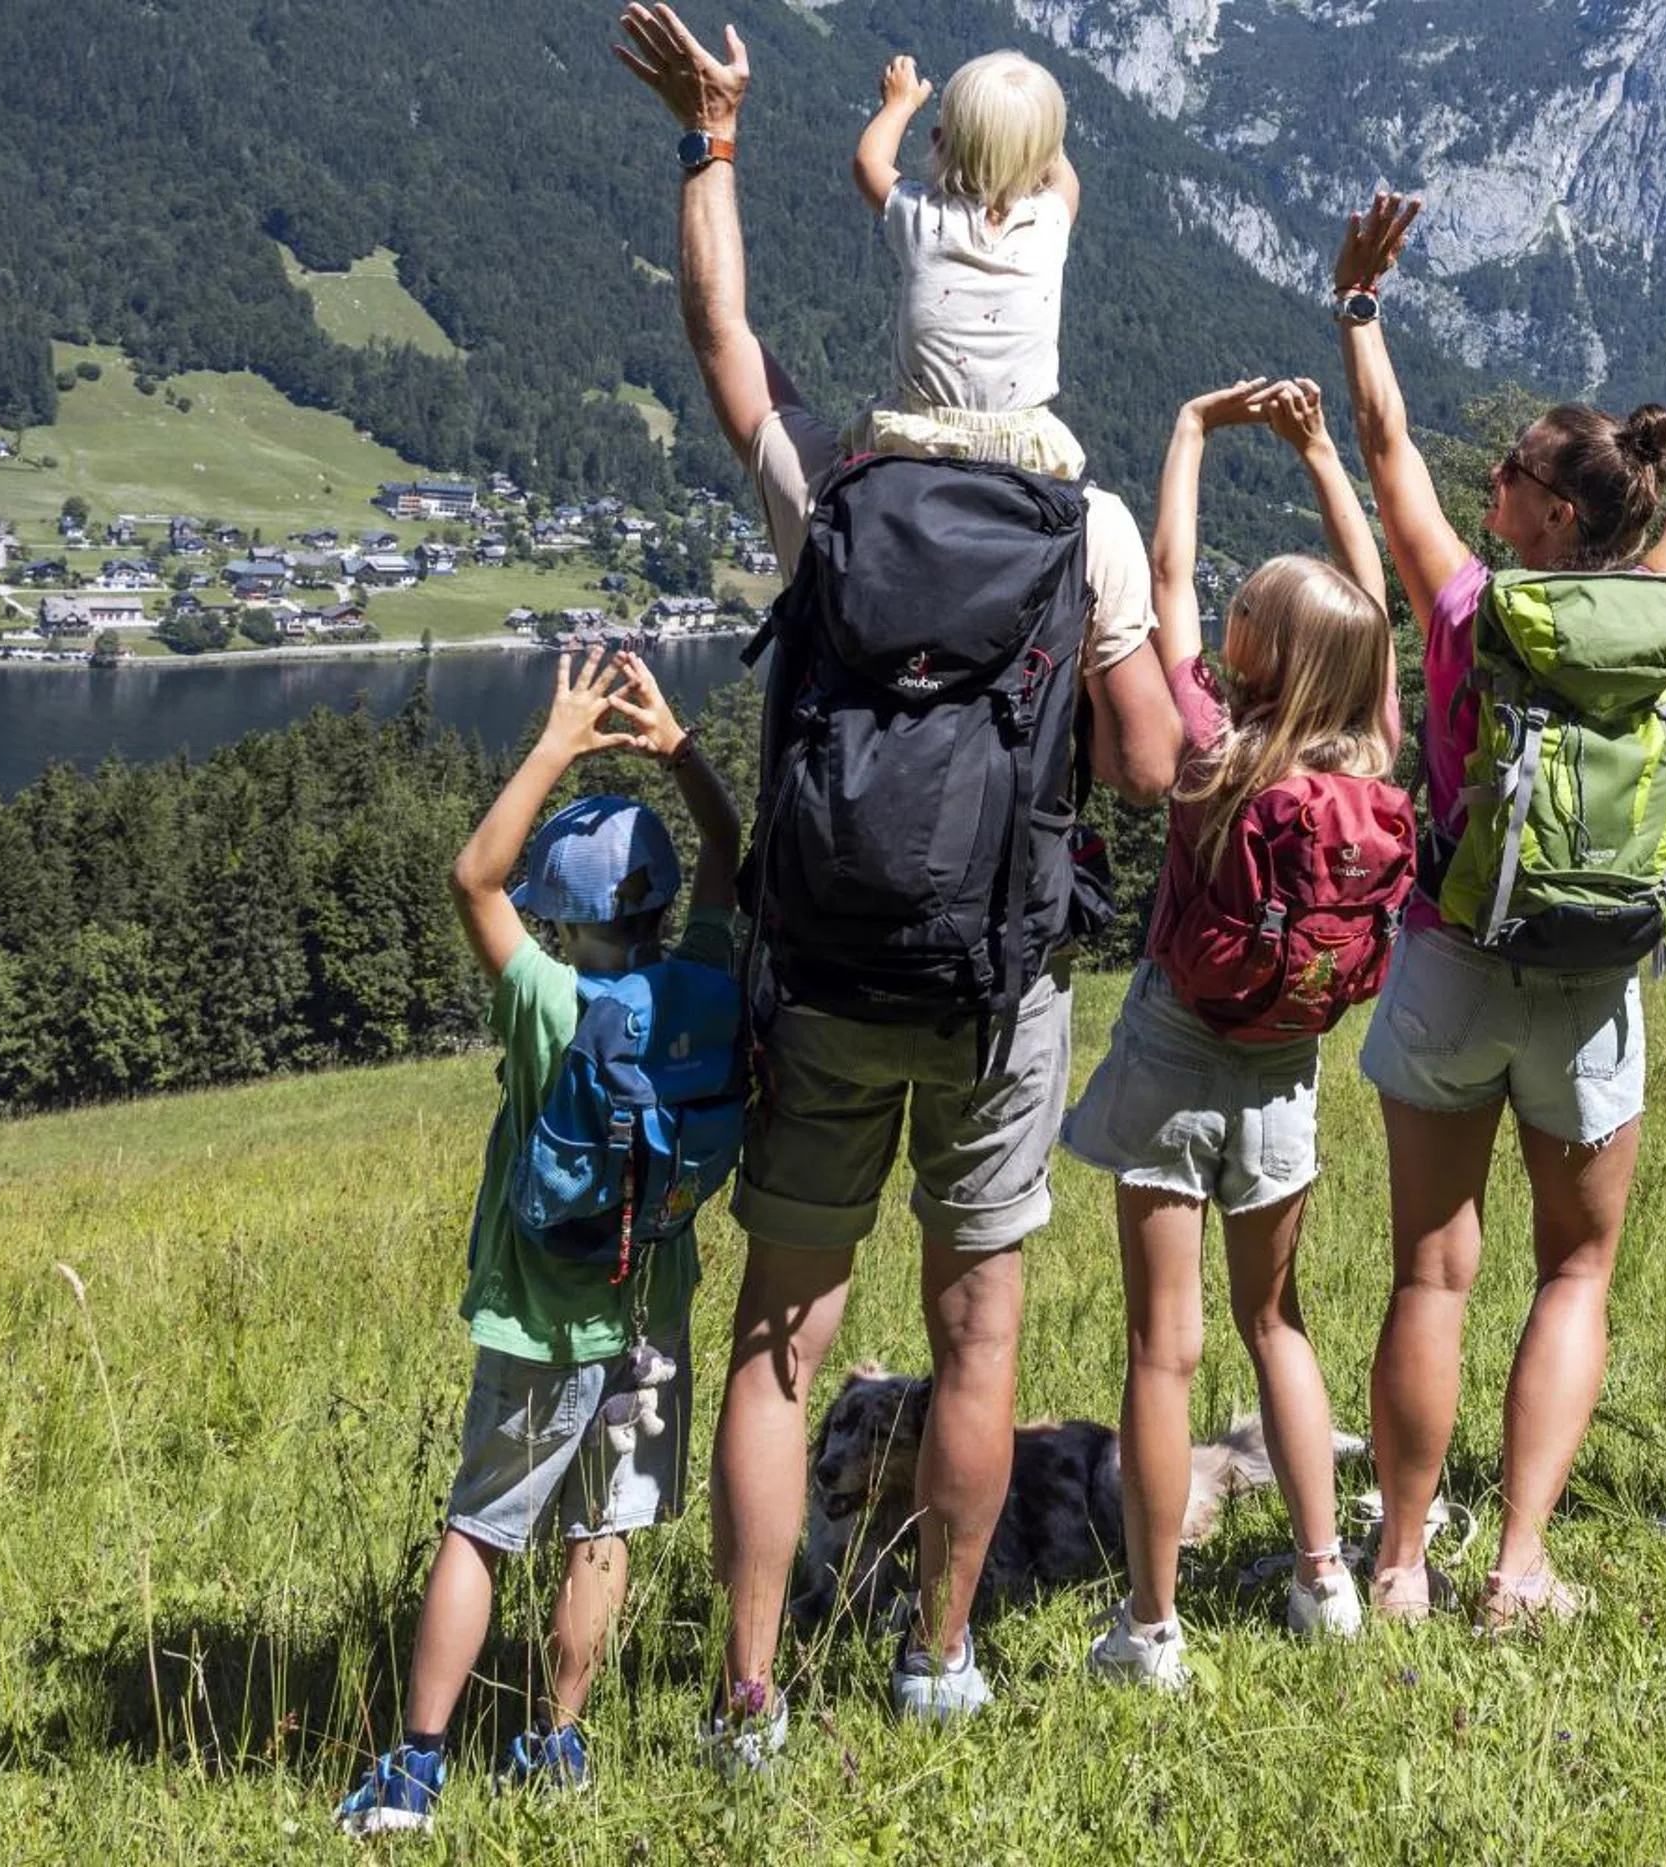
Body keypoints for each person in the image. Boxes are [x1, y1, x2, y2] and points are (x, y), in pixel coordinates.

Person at [613, 4, 1184, 1742]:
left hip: (821, 967)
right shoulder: (1084, 529)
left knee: (781, 1340)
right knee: (975, 1329)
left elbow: (723, 337)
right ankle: (938, 1657)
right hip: (995, 981)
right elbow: (1147, 764)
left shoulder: (833, 489)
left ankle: (746, 1692)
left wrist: (712, 143)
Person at [1330, 188, 1666, 1627]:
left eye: (1508, 474)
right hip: (1594, 989)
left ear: (1551, 511)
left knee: (1432, 1271)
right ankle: (1519, 1561)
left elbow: (1382, 450)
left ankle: (1399, 1564)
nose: (1485, 484)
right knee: (1574, 1269)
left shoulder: (1468, 607)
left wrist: (1360, 305)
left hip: (1450, 964)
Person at [336, 651, 740, 1835]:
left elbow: (473, 875)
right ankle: (556, 1741)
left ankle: (416, 1768)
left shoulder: (546, 1002)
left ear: (563, 912)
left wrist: (559, 740)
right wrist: (679, 751)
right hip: (650, 1307)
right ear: (659, 906)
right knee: (600, 1528)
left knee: (482, 1525)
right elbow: (729, 849)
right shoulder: (701, 985)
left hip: (540, 1313)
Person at [1062, 376, 1400, 1687]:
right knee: (1278, 1322)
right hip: (1286, 1069)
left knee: (1165, 1345)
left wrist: (1191, 430)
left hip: (1174, 1050)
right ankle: (1325, 1578)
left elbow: (1162, 575)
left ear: (1252, 651)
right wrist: (1323, 460)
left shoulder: (1214, 750)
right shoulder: (1368, 756)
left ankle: (1151, 1628)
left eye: (1244, 611)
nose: (1227, 615)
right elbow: (1372, 605)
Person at [848, 48, 1085, 476]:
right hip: (1023, 453)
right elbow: (1065, 180)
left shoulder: (923, 217)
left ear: (938, 141)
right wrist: (1038, 138)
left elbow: (869, 163)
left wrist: (899, 104)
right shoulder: (1051, 221)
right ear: (1045, 161)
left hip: (922, 442)